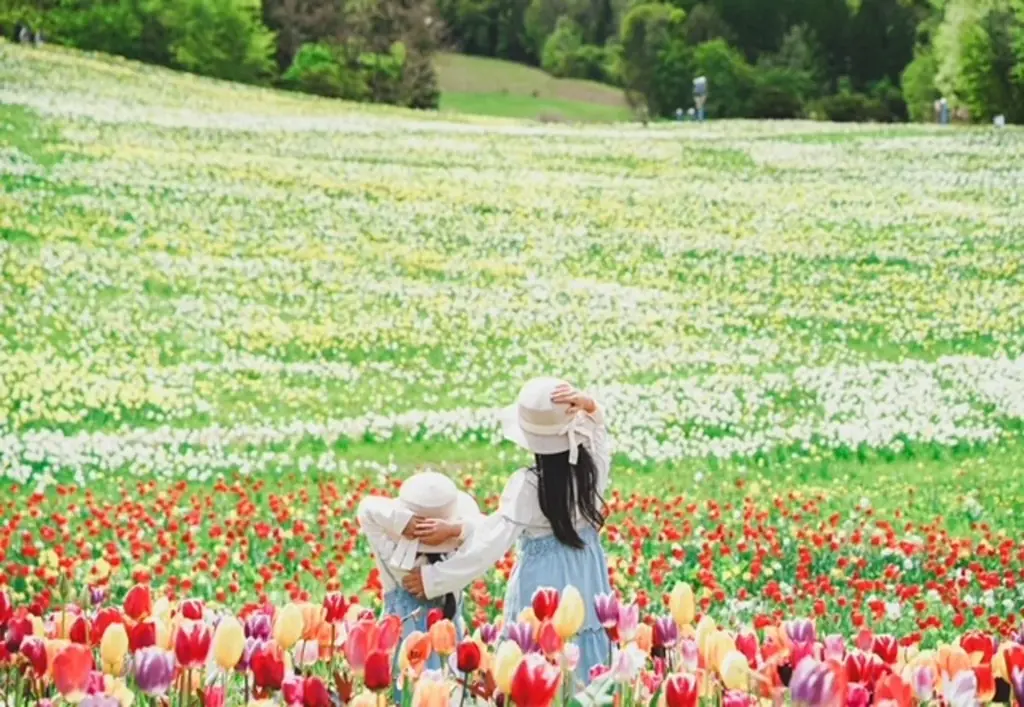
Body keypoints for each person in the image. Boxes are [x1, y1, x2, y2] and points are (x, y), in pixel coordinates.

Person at [403, 377, 612, 686]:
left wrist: (435, 578)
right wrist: (590, 407)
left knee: (538, 661)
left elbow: (492, 541)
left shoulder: (529, 484)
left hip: (543, 582)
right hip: (587, 579)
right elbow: (599, 433)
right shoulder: (593, 466)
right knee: (580, 657)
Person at [357, 472, 481, 679]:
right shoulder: (459, 555)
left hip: (410, 646)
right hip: (440, 648)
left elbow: (367, 509)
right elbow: (487, 531)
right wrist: (454, 530)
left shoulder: (391, 552)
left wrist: (401, 521)